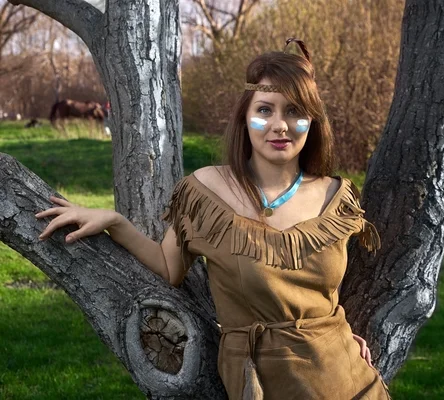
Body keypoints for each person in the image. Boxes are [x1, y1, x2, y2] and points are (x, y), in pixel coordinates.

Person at [35, 38, 391, 399]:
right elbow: (168, 266)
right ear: (245, 117)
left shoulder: (336, 194)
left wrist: (334, 331)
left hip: (350, 379)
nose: (279, 125)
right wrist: (115, 221)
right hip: (264, 383)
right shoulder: (207, 189)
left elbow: (323, 293)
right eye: (265, 110)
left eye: (295, 111)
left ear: (312, 121)